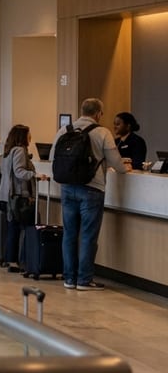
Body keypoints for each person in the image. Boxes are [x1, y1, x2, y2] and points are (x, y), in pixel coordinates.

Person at [51, 98, 126, 290]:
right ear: (98, 113)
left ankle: (69, 278)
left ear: (81, 110)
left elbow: (53, 157)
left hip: (67, 188)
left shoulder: (64, 131)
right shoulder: (102, 132)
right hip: (92, 189)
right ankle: (84, 280)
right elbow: (117, 164)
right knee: (87, 236)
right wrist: (125, 167)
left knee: (69, 234)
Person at [0, 124, 45, 270]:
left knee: (12, 228)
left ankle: (9, 258)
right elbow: (19, 172)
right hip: (18, 195)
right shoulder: (20, 151)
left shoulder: (9, 151)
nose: (30, 137)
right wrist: (35, 175)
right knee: (18, 228)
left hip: (9, 195)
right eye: (29, 134)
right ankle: (15, 260)